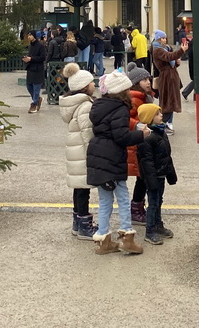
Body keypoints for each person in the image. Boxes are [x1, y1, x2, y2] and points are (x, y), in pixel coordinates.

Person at [86, 71, 146, 255]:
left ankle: (104, 241)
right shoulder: (119, 108)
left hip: (98, 154)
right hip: (112, 156)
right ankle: (127, 238)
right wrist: (141, 134)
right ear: (121, 91)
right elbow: (121, 136)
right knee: (122, 197)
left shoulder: (99, 106)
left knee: (105, 201)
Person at [60, 63, 97, 240]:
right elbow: (87, 132)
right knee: (84, 189)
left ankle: (77, 222)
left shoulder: (74, 104)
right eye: (91, 82)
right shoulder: (86, 106)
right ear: (84, 87)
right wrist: (95, 152)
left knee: (78, 188)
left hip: (75, 152)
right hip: (82, 153)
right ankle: (84, 225)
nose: (94, 85)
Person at [135, 102, 177, 245]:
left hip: (161, 174)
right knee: (153, 203)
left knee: (159, 201)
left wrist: (170, 173)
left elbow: (166, 155)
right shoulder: (148, 138)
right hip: (154, 177)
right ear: (150, 118)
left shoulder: (161, 132)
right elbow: (147, 163)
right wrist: (151, 181)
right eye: (158, 114)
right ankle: (150, 230)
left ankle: (158, 225)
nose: (161, 115)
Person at [125, 63, 154, 225]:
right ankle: (136, 209)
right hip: (137, 143)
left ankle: (138, 207)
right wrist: (140, 125)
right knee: (142, 176)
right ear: (136, 83)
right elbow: (127, 118)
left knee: (143, 177)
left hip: (143, 140)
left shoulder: (145, 96)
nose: (148, 82)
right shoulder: (135, 98)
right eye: (143, 80)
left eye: (148, 78)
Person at [151, 30, 188, 133]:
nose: (165, 39)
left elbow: (170, 61)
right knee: (167, 102)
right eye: (162, 38)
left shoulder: (165, 48)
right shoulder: (157, 50)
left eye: (165, 37)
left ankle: (168, 124)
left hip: (170, 77)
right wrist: (181, 50)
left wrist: (177, 63)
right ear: (158, 39)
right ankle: (162, 124)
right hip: (166, 78)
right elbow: (169, 57)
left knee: (170, 102)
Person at [22, 32, 46, 113]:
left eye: (30, 35)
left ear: (35, 36)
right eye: (28, 35)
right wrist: (27, 59)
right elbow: (30, 55)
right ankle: (37, 99)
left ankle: (34, 104)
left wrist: (31, 59)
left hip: (38, 69)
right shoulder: (30, 46)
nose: (29, 37)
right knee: (29, 86)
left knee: (36, 87)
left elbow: (43, 57)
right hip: (30, 68)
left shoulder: (41, 45)